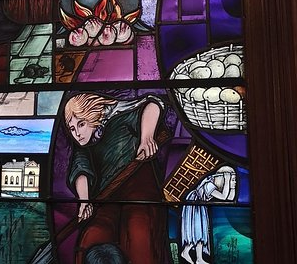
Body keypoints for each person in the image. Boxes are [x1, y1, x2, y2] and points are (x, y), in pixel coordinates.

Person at [64, 93, 167, 264]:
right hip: (106, 200)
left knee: (139, 235)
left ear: (92, 115)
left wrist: (146, 137)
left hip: (139, 194)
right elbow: (81, 169)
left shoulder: (120, 118)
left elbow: (153, 104)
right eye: (72, 129)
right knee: (91, 238)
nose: (78, 134)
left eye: (81, 124)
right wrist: (84, 201)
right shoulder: (84, 145)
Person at [180, 166, 237, 264]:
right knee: (197, 231)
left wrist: (232, 187)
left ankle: (199, 259)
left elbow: (230, 199)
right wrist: (227, 181)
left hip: (200, 206)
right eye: (233, 179)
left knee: (202, 232)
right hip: (194, 205)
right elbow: (223, 197)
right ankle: (186, 252)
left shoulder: (214, 185)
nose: (235, 182)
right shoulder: (209, 184)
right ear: (222, 178)